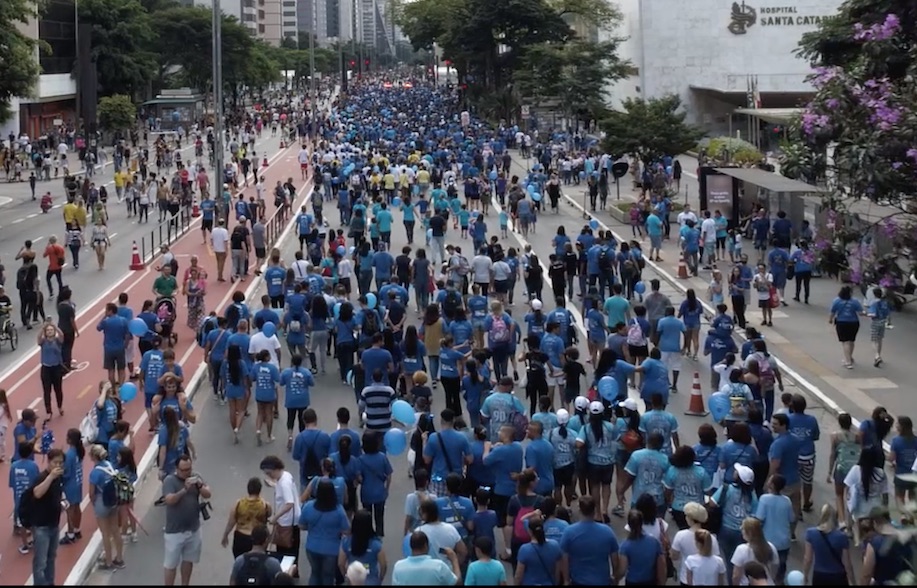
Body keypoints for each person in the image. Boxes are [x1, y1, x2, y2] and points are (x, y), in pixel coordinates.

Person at [161, 455, 212, 586]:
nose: (187, 472)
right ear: (177, 469)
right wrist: (184, 489)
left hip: (193, 528)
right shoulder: (169, 481)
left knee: (188, 560)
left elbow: (208, 494)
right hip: (175, 531)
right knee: (171, 564)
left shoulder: (196, 476)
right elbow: (170, 500)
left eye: (189, 469)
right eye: (184, 470)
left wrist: (200, 486)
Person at [29, 448, 66, 586]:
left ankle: (50, 582)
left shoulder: (58, 478)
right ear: (49, 462)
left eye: (61, 463)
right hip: (41, 527)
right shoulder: (42, 477)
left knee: (51, 558)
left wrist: (62, 502)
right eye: (55, 462)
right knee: (40, 562)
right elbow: (37, 493)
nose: (58, 466)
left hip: (54, 525)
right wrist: (50, 477)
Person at [391, 530, 460, 586]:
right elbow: (457, 583)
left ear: (411, 546)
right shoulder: (439, 566)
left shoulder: (398, 567)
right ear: (426, 546)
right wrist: (454, 559)